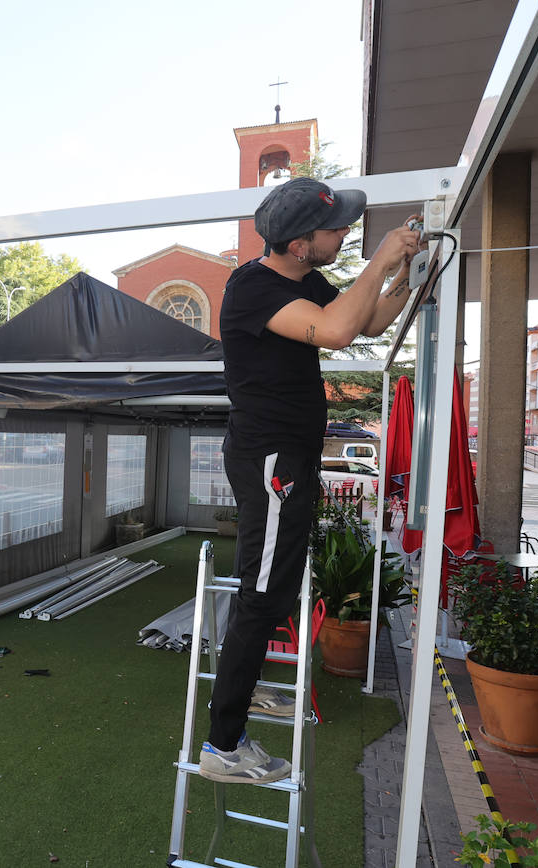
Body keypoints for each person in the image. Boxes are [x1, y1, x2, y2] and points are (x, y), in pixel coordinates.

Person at [198, 177, 423, 784]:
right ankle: (223, 745)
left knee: (279, 580)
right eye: (335, 229)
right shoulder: (252, 287)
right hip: (269, 460)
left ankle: (245, 697)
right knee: (263, 590)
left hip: (293, 458)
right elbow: (335, 332)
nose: (346, 234)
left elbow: (368, 320)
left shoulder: (308, 281)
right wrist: (380, 258)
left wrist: (407, 277)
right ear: (300, 243)